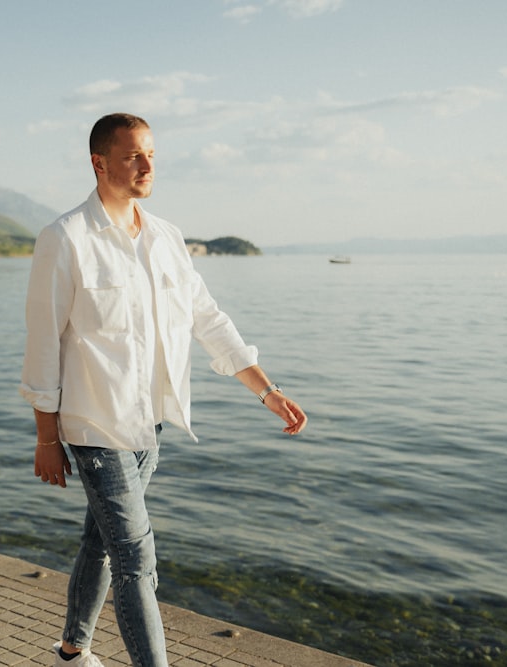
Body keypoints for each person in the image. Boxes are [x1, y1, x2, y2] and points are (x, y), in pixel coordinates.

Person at [19, 113, 307, 667]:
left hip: (150, 423)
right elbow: (44, 343)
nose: (147, 166)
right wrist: (47, 437)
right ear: (99, 163)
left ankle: (72, 651)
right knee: (136, 557)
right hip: (95, 424)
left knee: (101, 543)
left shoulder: (168, 238)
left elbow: (208, 319)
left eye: (151, 154)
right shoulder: (65, 238)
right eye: (133, 156)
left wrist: (266, 390)